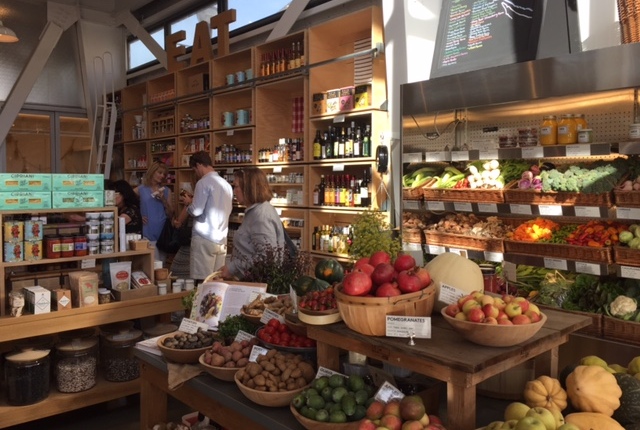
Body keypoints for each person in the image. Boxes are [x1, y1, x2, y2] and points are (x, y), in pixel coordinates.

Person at [219, 168, 289, 280]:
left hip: (257, 285)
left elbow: (267, 259)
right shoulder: (254, 211)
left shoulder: (261, 216)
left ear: (248, 188)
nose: (234, 191)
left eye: (236, 186)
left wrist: (233, 267)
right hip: (250, 281)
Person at [173, 151, 233, 281]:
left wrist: (189, 203)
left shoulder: (203, 183)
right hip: (222, 238)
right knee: (217, 280)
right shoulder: (227, 185)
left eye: (194, 169)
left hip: (204, 239)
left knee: (203, 282)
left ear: (199, 165)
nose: (196, 173)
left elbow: (196, 211)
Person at [135, 161, 174, 261]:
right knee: (152, 263)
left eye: (164, 174)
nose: (162, 176)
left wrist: (163, 200)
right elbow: (126, 199)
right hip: (147, 231)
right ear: (152, 172)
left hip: (163, 233)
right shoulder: (141, 189)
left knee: (161, 264)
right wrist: (138, 216)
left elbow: (171, 213)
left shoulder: (166, 191)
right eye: (159, 172)